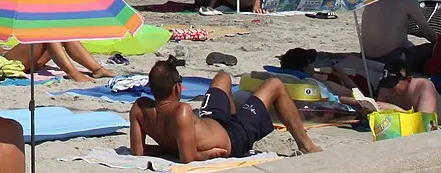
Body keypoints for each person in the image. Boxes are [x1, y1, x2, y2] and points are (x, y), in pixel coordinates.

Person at [129, 58, 321, 160]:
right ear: (177, 88)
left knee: (223, 77)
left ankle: (237, 116)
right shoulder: (182, 110)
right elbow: (189, 158)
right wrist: (211, 153)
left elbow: (138, 151)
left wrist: (165, 148)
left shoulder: (139, 109)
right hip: (233, 138)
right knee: (275, 85)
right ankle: (306, 145)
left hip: (213, 121)